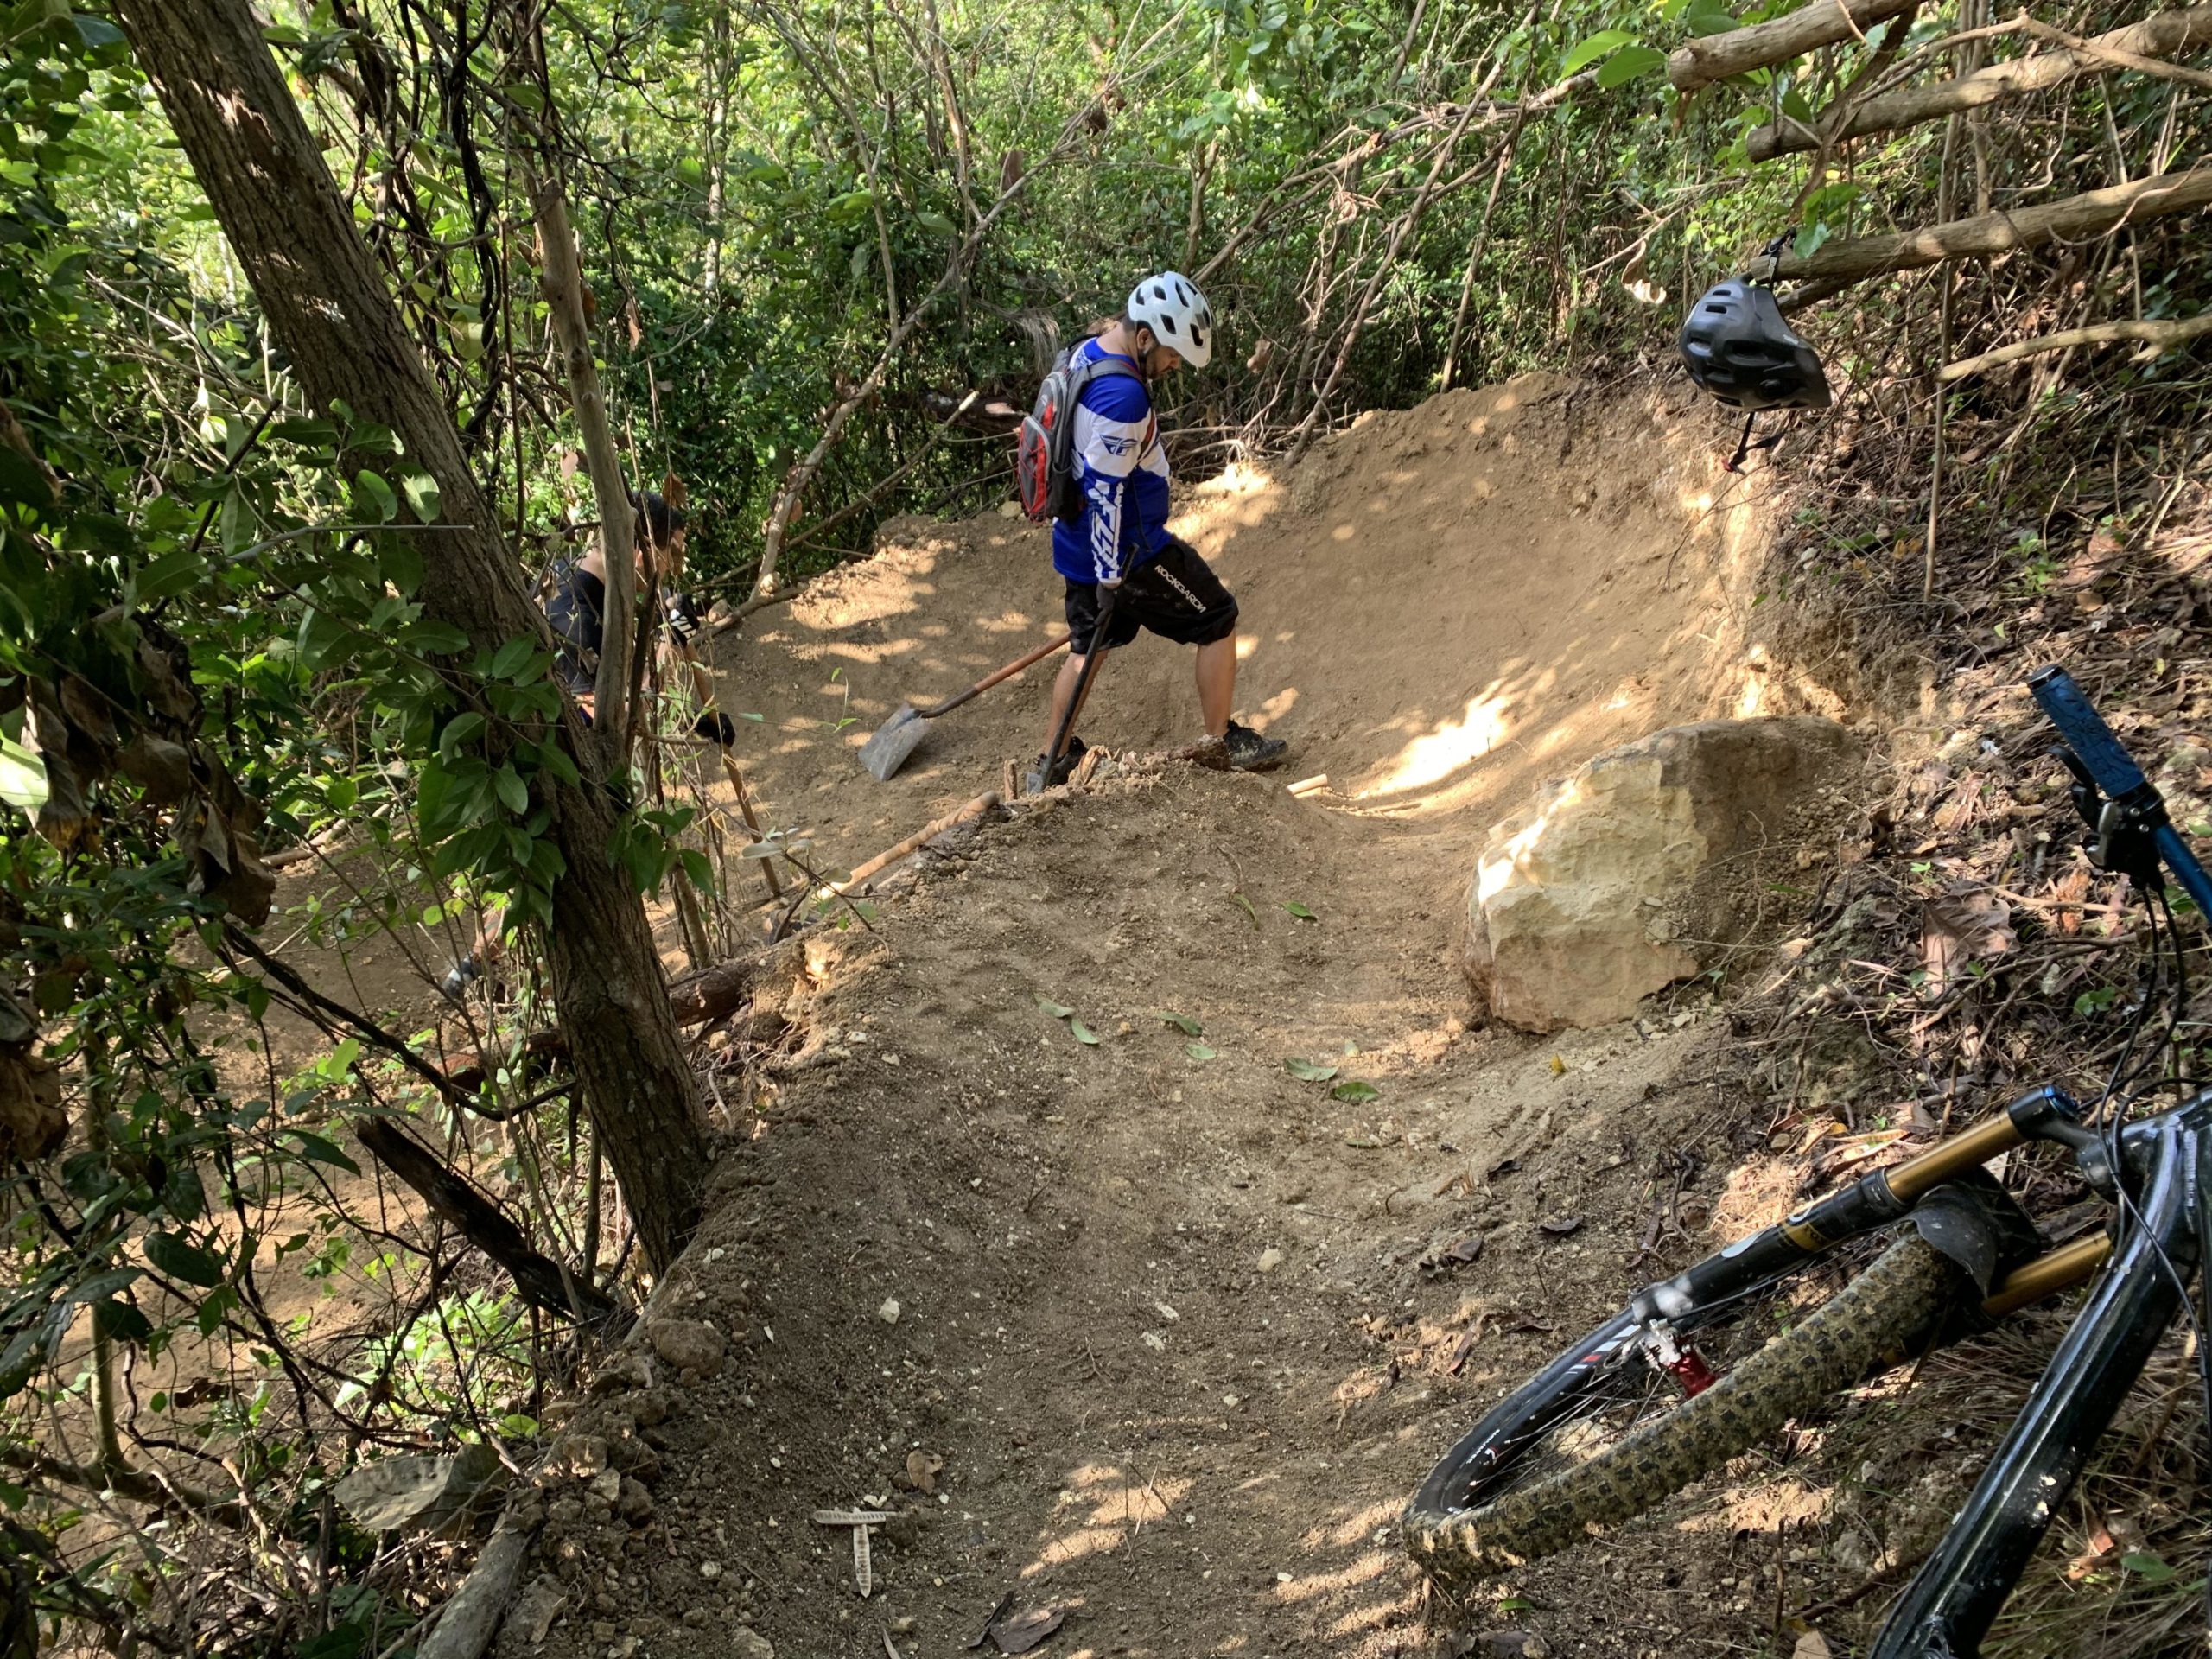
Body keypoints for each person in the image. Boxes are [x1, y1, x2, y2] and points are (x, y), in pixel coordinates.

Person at [441, 491, 728, 998]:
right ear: (640, 549)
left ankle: (476, 967)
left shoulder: (592, 587)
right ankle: (480, 966)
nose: (675, 568)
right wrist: (665, 643)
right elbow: (608, 715)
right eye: (672, 554)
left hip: (562, 769)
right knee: (551, 878)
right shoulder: (575, 612)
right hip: (558, 774)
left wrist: (702, 713)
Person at [1029, 271, 1287, 792]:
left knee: (1088, 647)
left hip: (1075, 540)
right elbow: (1106, 492)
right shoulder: (1124, 399)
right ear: (1143, 337)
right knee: (1217, 617)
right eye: (1171, 355)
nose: (1174, 367)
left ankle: (1051, 760)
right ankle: (1221, 743)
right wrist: (1111, 580)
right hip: (1130, 554)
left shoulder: (1085, 354)